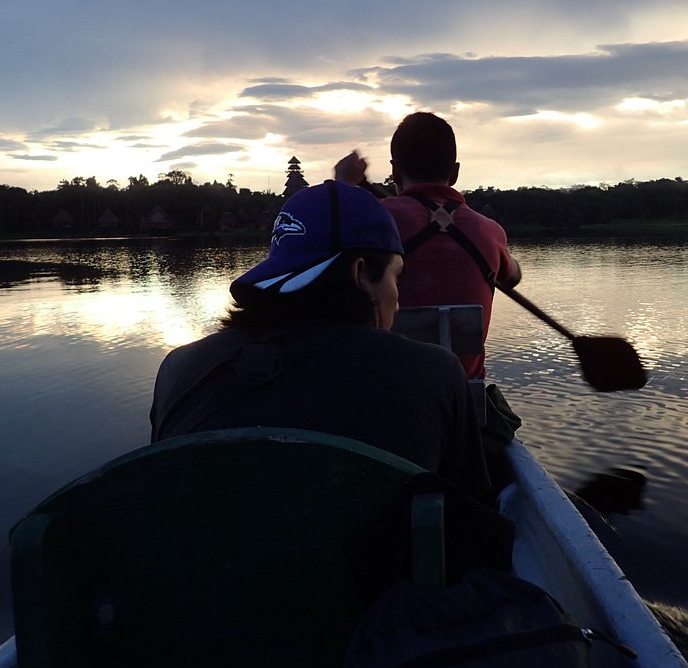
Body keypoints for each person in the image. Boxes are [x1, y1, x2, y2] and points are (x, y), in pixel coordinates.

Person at [149, 179, 490, 500]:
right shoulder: (435, 373)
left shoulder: (177, 371)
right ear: (360, 273)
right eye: (395, 276)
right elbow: (474, 529)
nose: (397, 299)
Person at [335, 111, 521, 379]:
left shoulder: (374, 218)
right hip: (464, 404)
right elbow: (512, 277)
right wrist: (500, 254)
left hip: (387, 393)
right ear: (455, 172)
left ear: (395, 171)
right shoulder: (490, 231)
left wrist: (344, 186)